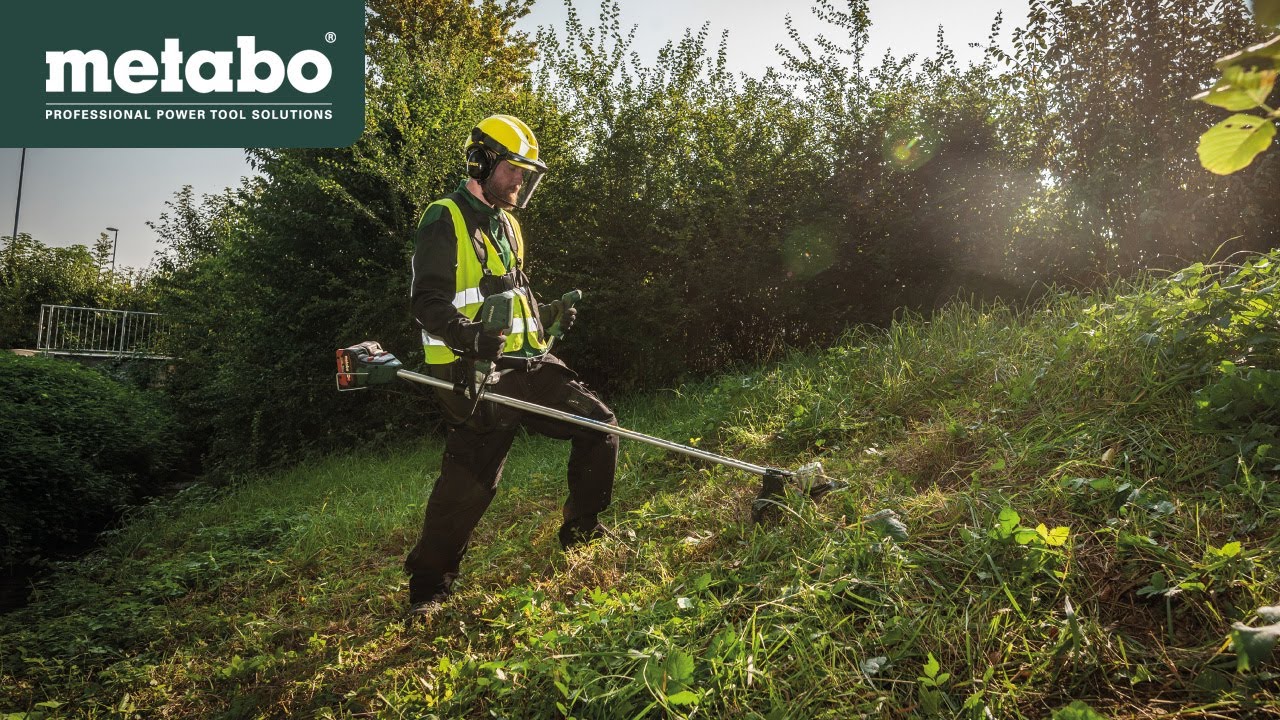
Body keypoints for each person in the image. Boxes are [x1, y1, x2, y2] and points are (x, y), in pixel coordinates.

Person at [403, 114, 620, 617]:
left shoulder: (510, 225)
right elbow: (428, 302)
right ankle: (428, 587)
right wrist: (469, 336)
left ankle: (582, 531)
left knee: (599, 425)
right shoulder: (445, 217)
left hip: (527, 361)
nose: (522, 181)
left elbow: (507, 296)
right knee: (472, 481)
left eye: (526, 172)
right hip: (472, 369)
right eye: (515, 170)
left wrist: (547, 317)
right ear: (482, 162)